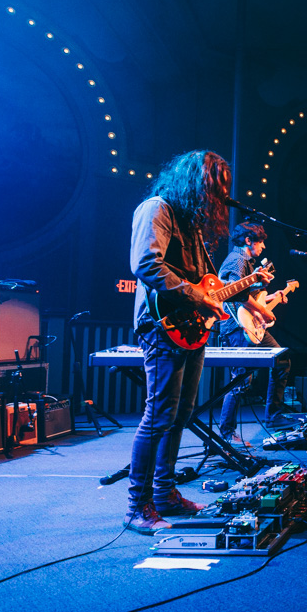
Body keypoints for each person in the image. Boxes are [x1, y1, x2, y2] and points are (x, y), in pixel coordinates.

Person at [126, 150, 271, 535]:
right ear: (193, 181)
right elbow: (145, 264)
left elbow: (212, 286)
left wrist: (247, 286)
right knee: (158, 415)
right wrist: (195, 296)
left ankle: (164, 494)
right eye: (214, 186)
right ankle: (136, 506)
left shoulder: (191, 226)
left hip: (191, 329)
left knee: (182, 414)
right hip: (162, 325)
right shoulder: (157, 208)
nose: (218, 196)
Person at [217, 222, 293, 443]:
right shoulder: (237, 260)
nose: (263, 247)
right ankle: (226, 432)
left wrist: (270, 298)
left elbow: (248, 296)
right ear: (248, 240)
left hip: (250, 325)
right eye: (260, 241)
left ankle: (274, 415)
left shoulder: (247, 262)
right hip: (236, 327)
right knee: (240, 381)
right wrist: (263, 311)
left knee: (281, 359)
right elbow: (233, 294)